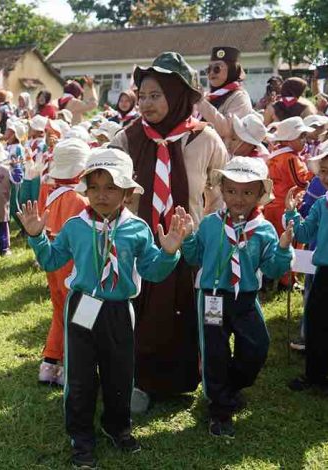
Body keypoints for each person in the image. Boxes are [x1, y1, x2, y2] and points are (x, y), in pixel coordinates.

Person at [19, 148, 191, 469]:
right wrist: (37, 237)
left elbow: (153, 270)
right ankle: (80, 436)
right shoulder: (75, 226)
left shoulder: (137, 229)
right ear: (85, 188)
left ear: (127, 192)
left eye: (111, 187)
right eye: (94, 187)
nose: (101, 195)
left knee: (120, 374)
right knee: (81, 377)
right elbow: (51, 260)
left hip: (118, 310)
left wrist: (168, 253)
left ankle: (117, 426)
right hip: (82, 306)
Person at [109, 52, 228, 404]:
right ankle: (137, 380)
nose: (145, 104)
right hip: (137, 247)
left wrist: (208, 234)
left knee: (180, 312)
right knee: (138, 310)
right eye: (142, 95)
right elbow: (106, 186)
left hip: (185, 248)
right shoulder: (127, 139)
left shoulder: (204, 140)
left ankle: (178, 381)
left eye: (156, 95)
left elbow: (223, 191)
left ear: (178, 95)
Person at [181, 157, 293, 438]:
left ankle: (230, 386)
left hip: (244, 298)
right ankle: (220, 409)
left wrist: (281, 249)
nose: (238, 198)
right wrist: (187, 237)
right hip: (213, 297)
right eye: (231, 191)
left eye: (247, 192)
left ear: (259, 194)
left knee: (257, 347)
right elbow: (193, 257)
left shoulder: (264, 229)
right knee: (215, 352)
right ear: (222, 190)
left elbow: (271, 269)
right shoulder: (209, 224)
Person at [36, 138, 90, 387]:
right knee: (80, 315)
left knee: (59, 311)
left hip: (54, 265)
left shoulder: (50, 196)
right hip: (75, 267)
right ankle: (72, 366)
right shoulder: (80, 202)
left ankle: (49, 363)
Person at [284, 148, 328, 392]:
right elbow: (304, 233)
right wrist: (291, 212)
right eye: (323, 171)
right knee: (316, 322)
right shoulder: (322, 204)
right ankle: (315, 376)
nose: (325, 177)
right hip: (324, 272)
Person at [195, 46, 255, 152]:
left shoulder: (239, 97)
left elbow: (227, 130)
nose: (211, 73)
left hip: (226, 161)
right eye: (208, 69)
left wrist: (200, 102)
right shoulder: (209, 97)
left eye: (217, 69)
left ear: (232, 70)